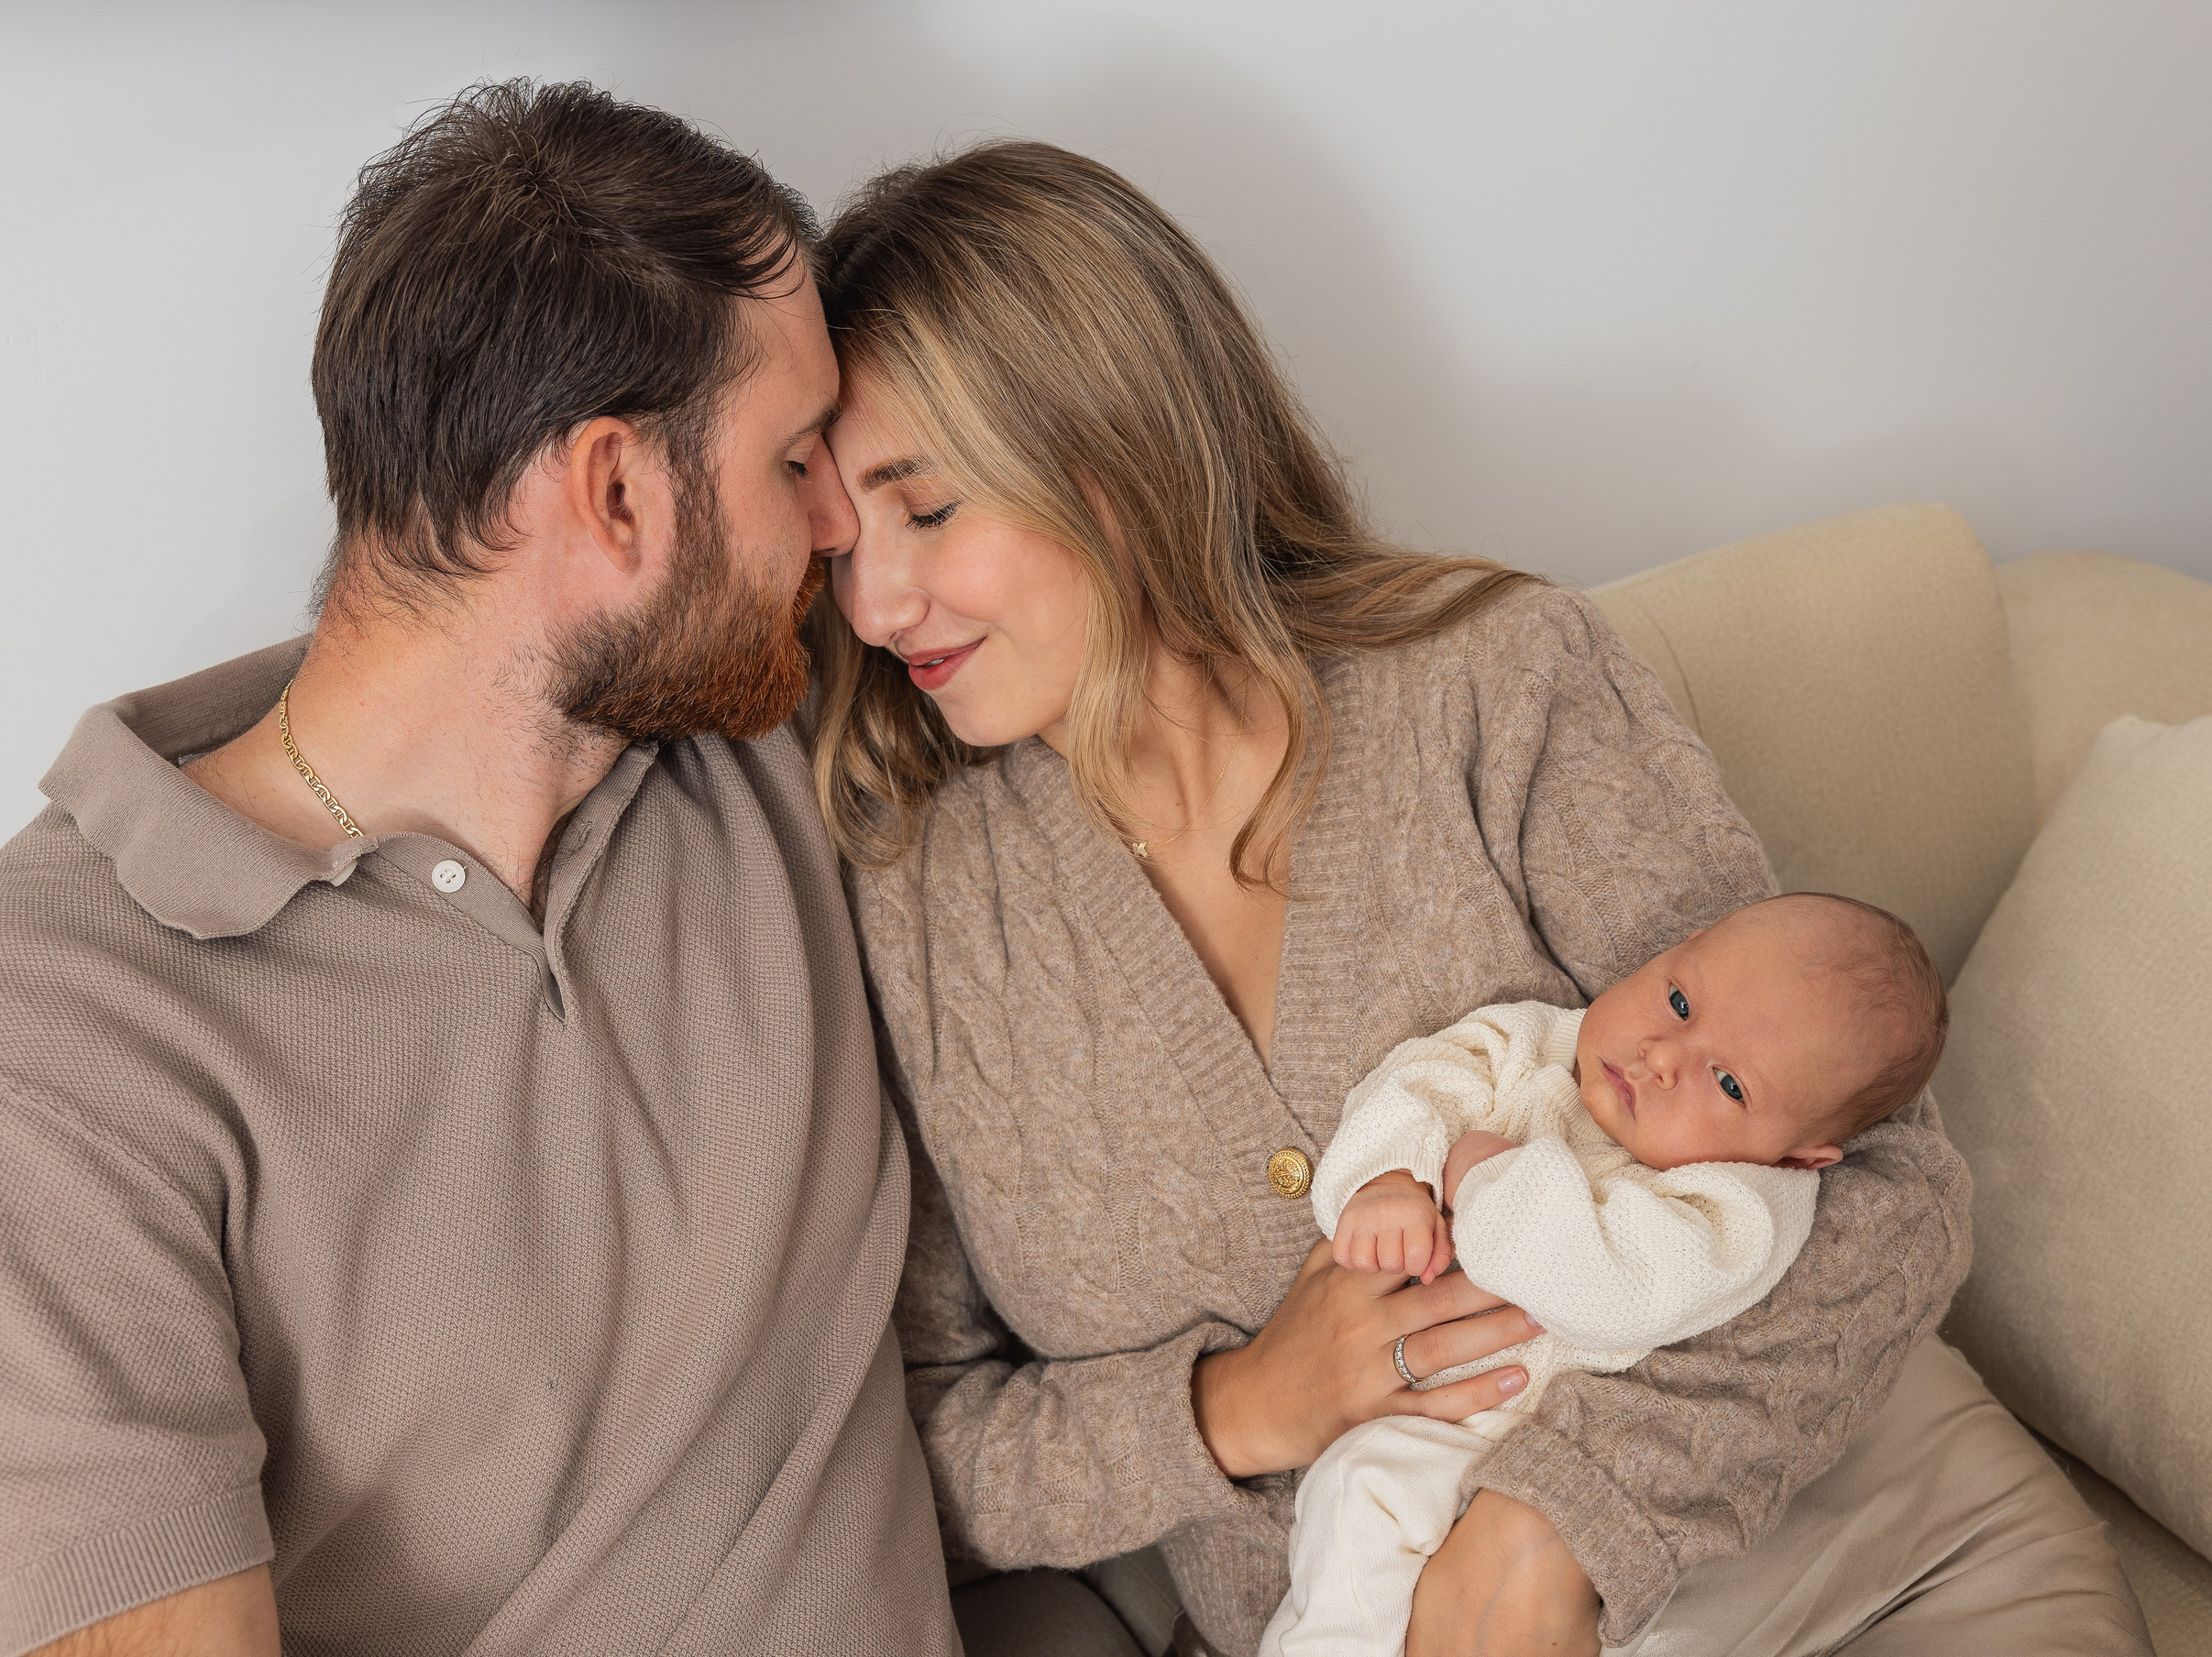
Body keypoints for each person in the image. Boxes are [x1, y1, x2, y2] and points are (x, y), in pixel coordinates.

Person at [806, 140, 2150, 1656]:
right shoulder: (913, 907)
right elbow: (925, 1447)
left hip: (1853, 1567)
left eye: (925, 515)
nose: (874, 606)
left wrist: (1549, 1527)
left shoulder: (1493, 688)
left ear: (1108, 463)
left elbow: (1889, 1193)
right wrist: (1236, 1405)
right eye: (843, 546)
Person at [0, 82, 956, 1656]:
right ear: (617, 493)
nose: (845, 526)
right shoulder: (28, 1039)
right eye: (797, 461)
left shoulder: (765, 755)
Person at [1268, 894, 1947, 1655]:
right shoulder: (1540, 1039)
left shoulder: (1734, 1212)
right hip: (1431, 1424)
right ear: (1675, 947)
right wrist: (1387, 1177)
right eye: (1681, 1000)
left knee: (1362, 1497)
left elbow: (1603, 1284)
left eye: (1728, 1085)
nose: (1661, 1056)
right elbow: (1423, 1079)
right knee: (1349, 1500)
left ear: (1797, 1156)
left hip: (1513, 1453)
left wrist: (1481, 1174)